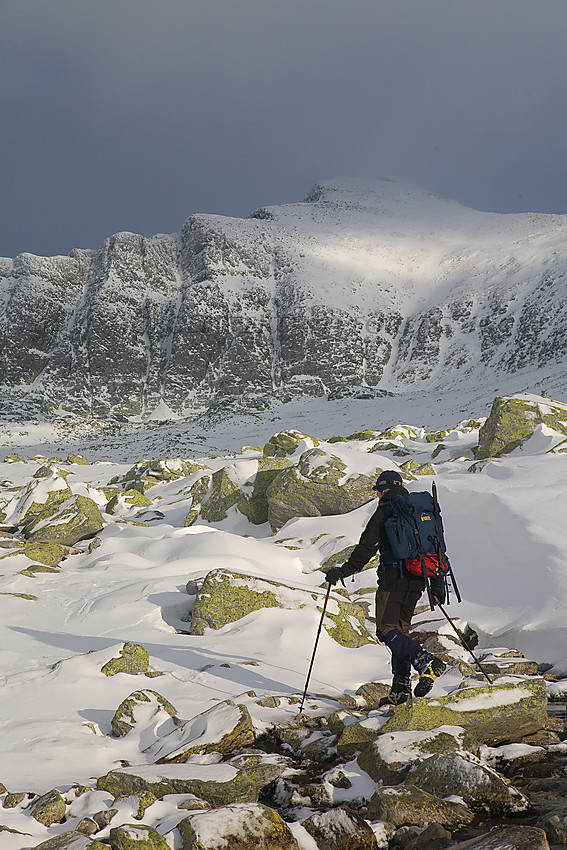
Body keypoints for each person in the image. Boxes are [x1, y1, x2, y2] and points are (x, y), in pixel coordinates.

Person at [326, 469, 446, 705]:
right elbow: (436, 547)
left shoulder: (386, 510)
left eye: (379, 490)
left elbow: (366, 548)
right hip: (419, 579)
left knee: (385, 629)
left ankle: (424, 660)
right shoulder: (418, 511)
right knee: (400, 632)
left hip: (393, 580)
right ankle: (400, 691)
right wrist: (437, 586)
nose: (378, 494)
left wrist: (343, 571)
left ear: (384, 490)